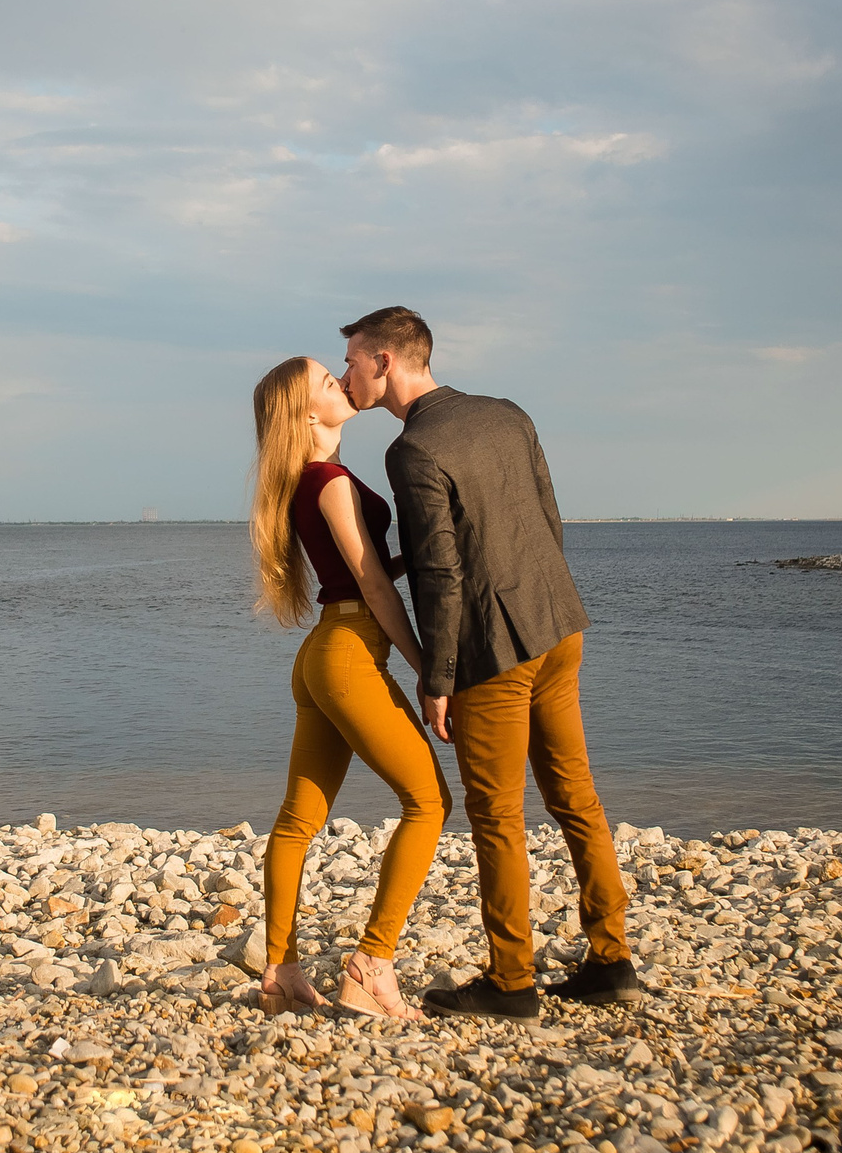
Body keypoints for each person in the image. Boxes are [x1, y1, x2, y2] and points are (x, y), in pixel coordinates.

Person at [339, 305, 643, 1019]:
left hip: (490, 649)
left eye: (352, 357)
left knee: (498, 813)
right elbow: (546, 518)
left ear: (385, 360)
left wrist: (436, 677)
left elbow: (443, 573)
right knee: (576, 795)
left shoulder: (411, 451)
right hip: (557, 625)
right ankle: (612, 957)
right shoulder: (507, 414)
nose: (347, 371)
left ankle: (511, 981)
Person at [246, 355, 451, 1020]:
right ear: (306, 413)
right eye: (324, 382)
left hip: (322, 653)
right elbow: (369, 586)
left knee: (297, 821)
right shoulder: (329, 481)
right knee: (429, 800)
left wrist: (416, 557)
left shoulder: (308, 480)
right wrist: (426, 668)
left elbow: (358, 568)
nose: (338, 378)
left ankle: (280, 972)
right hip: (348, 653)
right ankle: (372, 961)